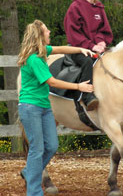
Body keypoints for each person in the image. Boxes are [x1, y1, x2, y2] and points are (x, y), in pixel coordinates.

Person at [18, 20, 95, 196]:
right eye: (46, 30)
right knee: (37, 149)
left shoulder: (42, 51)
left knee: (52, 146)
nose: (50, 31)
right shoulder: (34, 59)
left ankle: (30, 172)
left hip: (44, 107)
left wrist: (80, 50)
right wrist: (78, 87)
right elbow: (51, 82)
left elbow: (61, 49)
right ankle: (34, 191)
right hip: (31, 108)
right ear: (39, 35)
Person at [64, 0, 113, 111]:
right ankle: (87, 96)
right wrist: (91, 46)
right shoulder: (75, 7)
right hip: (78, 48)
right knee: (86, 61)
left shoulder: (99, 7)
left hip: (97, 47)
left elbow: (104, 30)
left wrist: (102, 42)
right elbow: (74, 35)